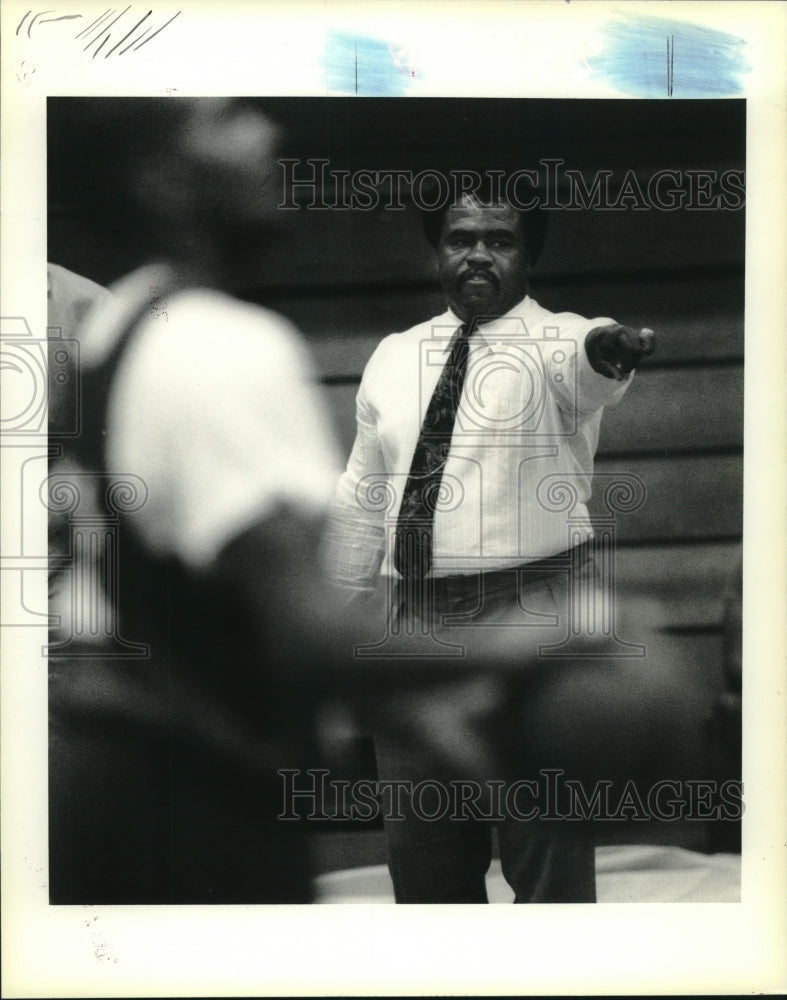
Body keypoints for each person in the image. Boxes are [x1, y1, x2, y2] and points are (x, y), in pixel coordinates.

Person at [48, 98, 344, 903]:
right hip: (188, 790)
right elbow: (313, 632)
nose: (268, 132)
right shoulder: (218, 341)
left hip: (105, 771)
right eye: (228, 118)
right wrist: (544, 638)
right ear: (162, 182)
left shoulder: (118, 319)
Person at [324, 185, 656, 903]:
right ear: (437, 249)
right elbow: (361, 494)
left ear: (526, 254)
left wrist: (611, 349)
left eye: (499, 240)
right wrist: (333, 620)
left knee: (546, 863)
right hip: (413, 622)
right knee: (424, 865)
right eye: (459, 237)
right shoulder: (393, 355)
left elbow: (590, 357)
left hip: (535, 613)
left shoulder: (558, 341)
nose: (477, 253)